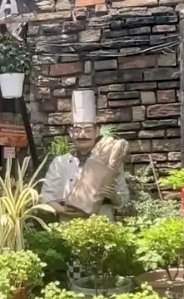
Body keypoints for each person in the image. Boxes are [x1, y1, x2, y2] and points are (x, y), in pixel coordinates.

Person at [40, 90, 129, 219]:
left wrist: (114, 196)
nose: (82, 135)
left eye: (88, 130)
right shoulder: (60, 163)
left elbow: (124, 198)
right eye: (77, 130)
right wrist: (62, 210)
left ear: (96, 132)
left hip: (103, 222)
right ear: (71, 133)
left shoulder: (110, 161)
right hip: (68, 223)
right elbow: (46, 196)